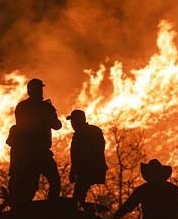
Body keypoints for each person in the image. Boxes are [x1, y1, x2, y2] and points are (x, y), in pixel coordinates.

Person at [7, 78, 62, 207]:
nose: (40, 91)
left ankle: (27, 209)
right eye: (39, 89)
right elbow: (57, 125)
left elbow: (21, 125)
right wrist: (48, 114)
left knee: (32, 186)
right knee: (54, 180)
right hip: (39, 152)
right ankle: (51, 206)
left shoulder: (22, 107)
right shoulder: (45, 107)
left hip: (28, 154)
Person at [66, 109, 107, 210]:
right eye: (72, 121)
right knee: (79, 195)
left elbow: (82, 155)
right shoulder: (89, 132)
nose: (72, 123)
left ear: (80, 120)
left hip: (88, 170)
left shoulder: (87, 133)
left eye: (74, 121)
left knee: (78, 196)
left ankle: (79, 213)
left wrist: (75, 171)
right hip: (86, 170)